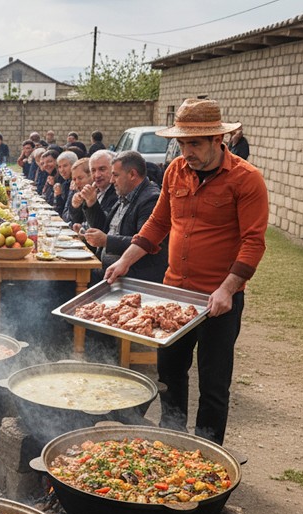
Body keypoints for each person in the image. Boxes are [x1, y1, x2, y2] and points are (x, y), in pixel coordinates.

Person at [104, 99, 268, 444]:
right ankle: (172, 440)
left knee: (213, 383)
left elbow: (253, 243)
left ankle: (207, 452)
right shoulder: (175, 171)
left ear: (216, 140)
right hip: (174, 295)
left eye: (194, 143)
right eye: (181, 143)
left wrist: (227, 289)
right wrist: (125, 260)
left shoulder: (246, 179)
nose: (186, 151)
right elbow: (158, 223)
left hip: (217, 300)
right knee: (170, 373)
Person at [82, 150, 164, 281]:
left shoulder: (150, 200)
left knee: (67, 281)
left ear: (132, 174)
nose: (111, 180)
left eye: (115, 175)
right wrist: (92, 204)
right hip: (107, 268)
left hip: (130, 275)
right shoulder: (125, 194)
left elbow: (147, 243)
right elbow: (103, 228)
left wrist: (107, 241)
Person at [76, 149, 118, 230]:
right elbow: (80, 220)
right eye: (93, 170)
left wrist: (92, 203)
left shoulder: (117, 192)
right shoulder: (95, 189)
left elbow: (103, 228)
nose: (97, 175)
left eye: (102, 169)